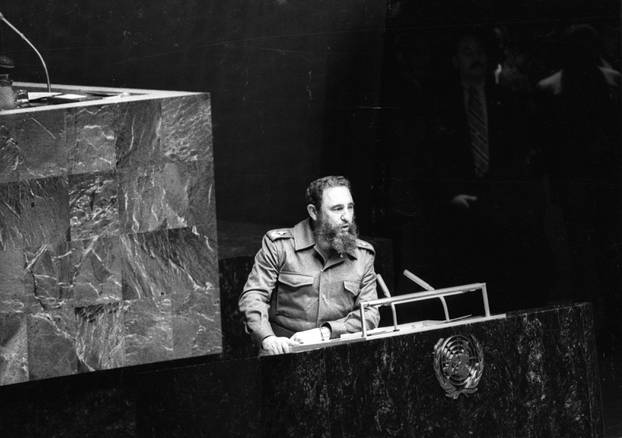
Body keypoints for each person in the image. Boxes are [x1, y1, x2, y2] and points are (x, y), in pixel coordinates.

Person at [239, 176, 380, 355]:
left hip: (341, 356)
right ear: (314, 212)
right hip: (284, 353)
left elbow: (369, 314)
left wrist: (325, 332)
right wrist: (267, 338)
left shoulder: (363, 256)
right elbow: (253, 296)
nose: (346, 217)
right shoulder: (280, 246)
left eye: (350, 207)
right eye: (337, 209)